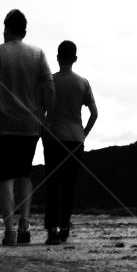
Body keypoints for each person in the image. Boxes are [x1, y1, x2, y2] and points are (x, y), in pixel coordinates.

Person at [0, 9, 53, 246]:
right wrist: (46, 116)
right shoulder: (38, 54)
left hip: (2, 125)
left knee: (5, 179)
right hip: (30, 125)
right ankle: (25, 224)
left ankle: (10, 231)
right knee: (24, 175)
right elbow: (49, 88)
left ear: (5, 28)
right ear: (25, 31)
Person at [42, 40, 97, 245]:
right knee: (69, 185)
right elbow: (94, 114)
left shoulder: (49, 82)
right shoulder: (83, 83)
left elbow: (40, 112)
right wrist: (84, 134)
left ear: (57, 58)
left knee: (53, 184)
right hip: (75, 139)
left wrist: (43, 130)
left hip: (53, 137)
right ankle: (64, 227)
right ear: (75, 58)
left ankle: (52, 229)